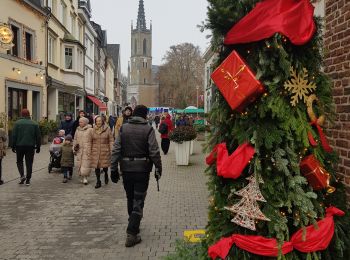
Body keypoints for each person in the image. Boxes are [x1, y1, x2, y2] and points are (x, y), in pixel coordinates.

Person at [111, 105, 162, 247]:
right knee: (138, 200)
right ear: (145, 115)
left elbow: (116, 149)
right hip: (142, 170)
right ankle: (132, 232)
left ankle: (133, 223)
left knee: (130, 198)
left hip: (126, 169)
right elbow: (154, 151)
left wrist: (113, 168)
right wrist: (158, 167)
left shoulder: (124, 128)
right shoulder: (148, 129)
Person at [12, 109, 41, 186]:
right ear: (29, 114)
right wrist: (38, 146)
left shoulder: (17, 123)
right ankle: (28, 179)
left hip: (19, 146)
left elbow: (14, 135)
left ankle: (22, 176)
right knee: (29, 162)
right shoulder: (34, 124)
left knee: (19, 161)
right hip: (30, 146)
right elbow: (38, 137)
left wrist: (13, 146)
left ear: (21, 114)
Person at [91, 116, 114, 189]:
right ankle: (98, 181)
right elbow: (90, 141)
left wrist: (112, 150)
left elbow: (111, 140)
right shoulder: (92, 130)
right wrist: (89, 150)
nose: (98, 122)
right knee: (96, 167)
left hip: (105, 151)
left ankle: (106, 174)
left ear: (102, 121)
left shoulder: (107, 129)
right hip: (95, 151)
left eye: (100, 121)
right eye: (97, 121)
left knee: (104, 166)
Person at [73, 117, 92, 185]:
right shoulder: (77, 130)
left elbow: (93, 140)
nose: (79, 123)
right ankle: (82, 176)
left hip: (87, 150)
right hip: (79, 150)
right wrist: (74, 148)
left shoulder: (90, 130)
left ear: (85, 122)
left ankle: (85, 177)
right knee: (79, 164)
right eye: (79, 122)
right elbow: (75, 139)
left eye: (81, 122)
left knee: (86, 164)